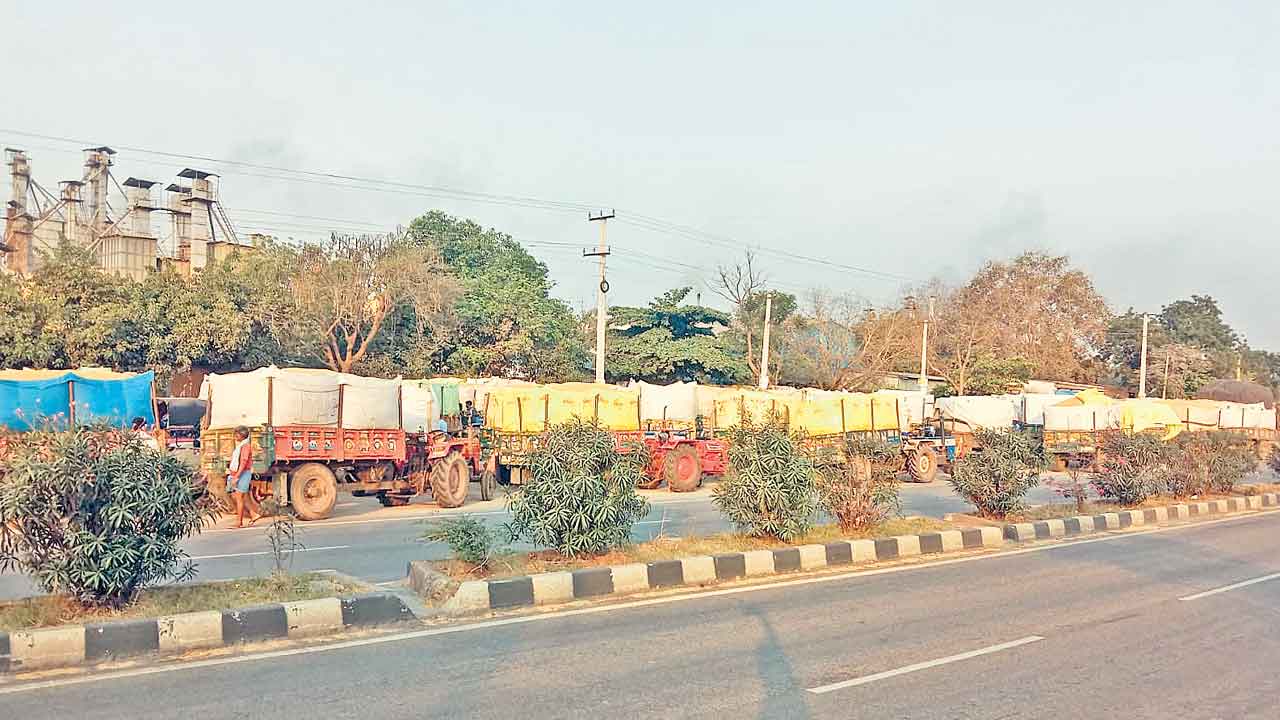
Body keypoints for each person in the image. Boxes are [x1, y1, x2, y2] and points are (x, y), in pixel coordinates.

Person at [226, 426, 261, 528]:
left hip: (242, 473)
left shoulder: (245, 446)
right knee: (238, 496)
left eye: (237, 434)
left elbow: (243, 463)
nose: (235, 436)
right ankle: (253, 514)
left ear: (242, 435)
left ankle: (239, 523)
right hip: (237, 473)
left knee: (239, 498)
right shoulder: (241, 445)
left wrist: (236, 476)